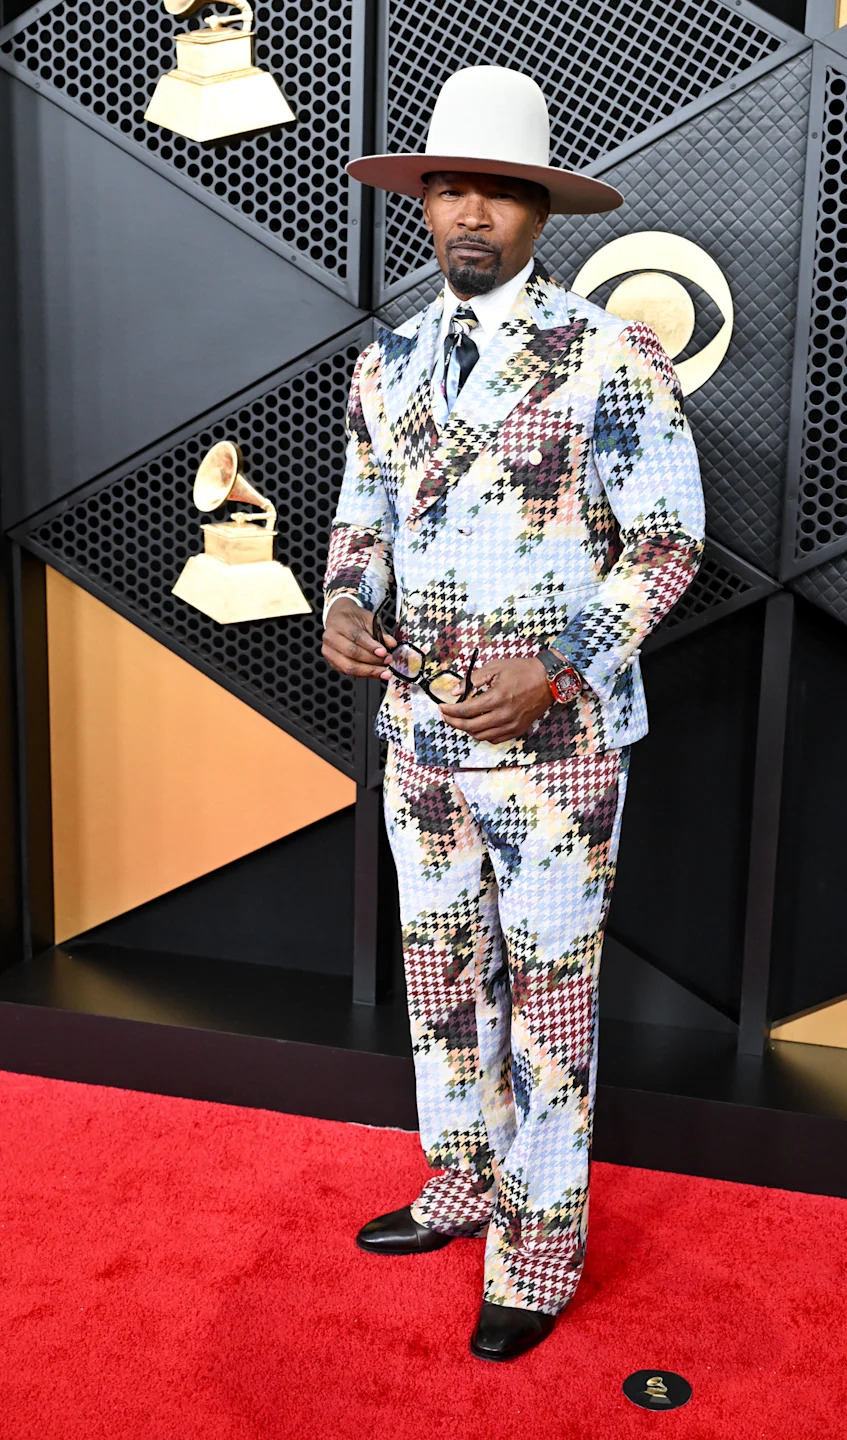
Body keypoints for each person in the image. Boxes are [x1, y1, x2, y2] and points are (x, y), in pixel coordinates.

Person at [321, 64, 705, 1361]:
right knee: (438, 978)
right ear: (422, 203)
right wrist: (339, 604)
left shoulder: (611, 352)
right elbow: (361, 520)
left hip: (558, 748)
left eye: (499, 191)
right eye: (449, 188)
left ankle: (539, 1248)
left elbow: (666, 546)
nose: (471, 212)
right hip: (416, 739)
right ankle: (462, 1181)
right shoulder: (389, 360)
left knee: (547, 998)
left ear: (543, 213)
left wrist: (558, 666)